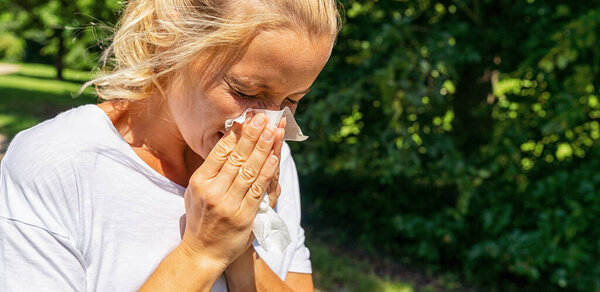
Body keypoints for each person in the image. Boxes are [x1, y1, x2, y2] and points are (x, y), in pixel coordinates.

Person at [0, 0, 340, 291]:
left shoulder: (268, 160)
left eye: (292, 100)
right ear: (170, 39)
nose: (267, 125)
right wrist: (203, 253)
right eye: (246, 92)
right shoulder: (57, 165)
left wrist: (240, 247)